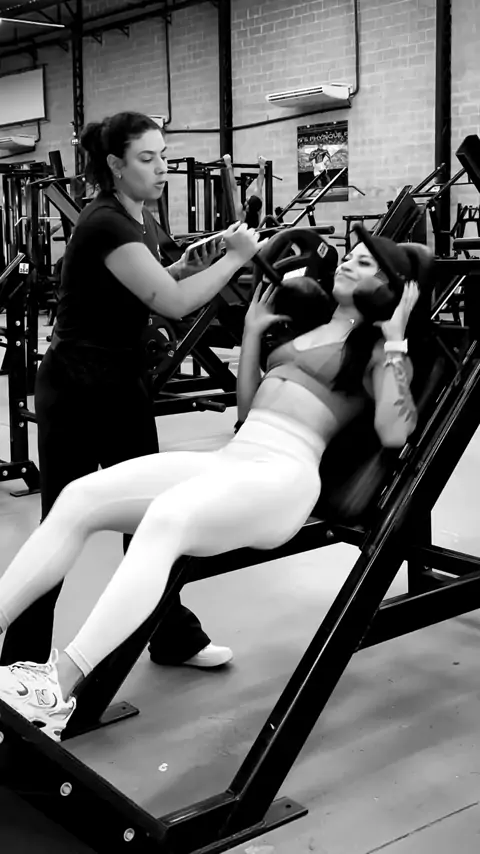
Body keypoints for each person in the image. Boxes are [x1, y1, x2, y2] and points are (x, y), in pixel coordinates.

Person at [0, 233, 430, 741]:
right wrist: (251, 334)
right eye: (351, 256)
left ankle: (57, 689)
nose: (349, 264)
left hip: (283, 477)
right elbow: (247, 412)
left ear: (391, 290)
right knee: (80, 497)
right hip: (235, 458)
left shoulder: (378, 350)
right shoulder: (307, 332)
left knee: (168, 518)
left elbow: (395, 433)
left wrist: (397, 335)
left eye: (366, 264)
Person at [0, 111, 260, 673]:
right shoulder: (106, 222)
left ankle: (171, 636)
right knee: (62, 525)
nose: (162, 167)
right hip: (78, 388)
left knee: (152, 516)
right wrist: (237, 258)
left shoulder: (137, 217)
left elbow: (150, 283)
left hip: (120, 384)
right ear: (115, 165)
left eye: (163, 154)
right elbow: (171, 302)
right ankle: (17, 663)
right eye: (147, 158)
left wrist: (180, 265)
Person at [223, 153, 266, 229]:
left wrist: (229, 166)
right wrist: (262, 167)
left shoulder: (241, 214)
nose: (247, 198)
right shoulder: (258, 211)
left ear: (248, 207)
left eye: (247, 200)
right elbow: (259, 185)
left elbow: (234, 188)